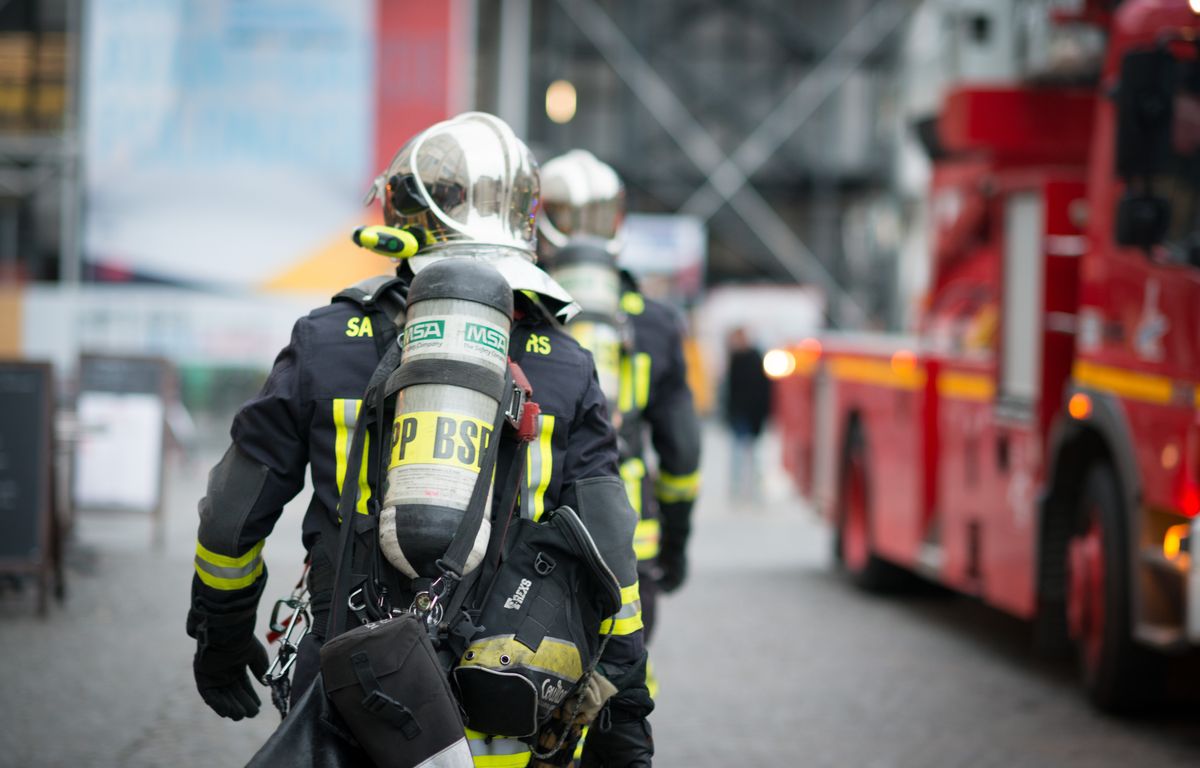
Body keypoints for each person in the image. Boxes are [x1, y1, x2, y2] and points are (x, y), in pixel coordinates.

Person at [186, 113, 653, 767]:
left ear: (408, 216)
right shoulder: (567, 363)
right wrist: (624, 717)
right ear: (525, 221)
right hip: (507, 705)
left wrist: (221, 634)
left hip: (350, 694)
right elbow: (609, 548)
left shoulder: (328, 341)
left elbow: (232, 515)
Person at [539, 149, 701, 646]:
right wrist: (675, 545)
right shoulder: (656, 323)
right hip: (628, 538)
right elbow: (683, 452)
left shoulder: (518, 311)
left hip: (530, 535)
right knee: (624, 671)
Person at [722, 327, 771, 503]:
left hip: (751, 414)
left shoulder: (754, 358)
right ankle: (739, 491)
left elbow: (763, 390)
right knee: (740, 454)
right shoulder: (738, 358)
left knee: (753, 455)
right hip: (741, 415)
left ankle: (755, 491)